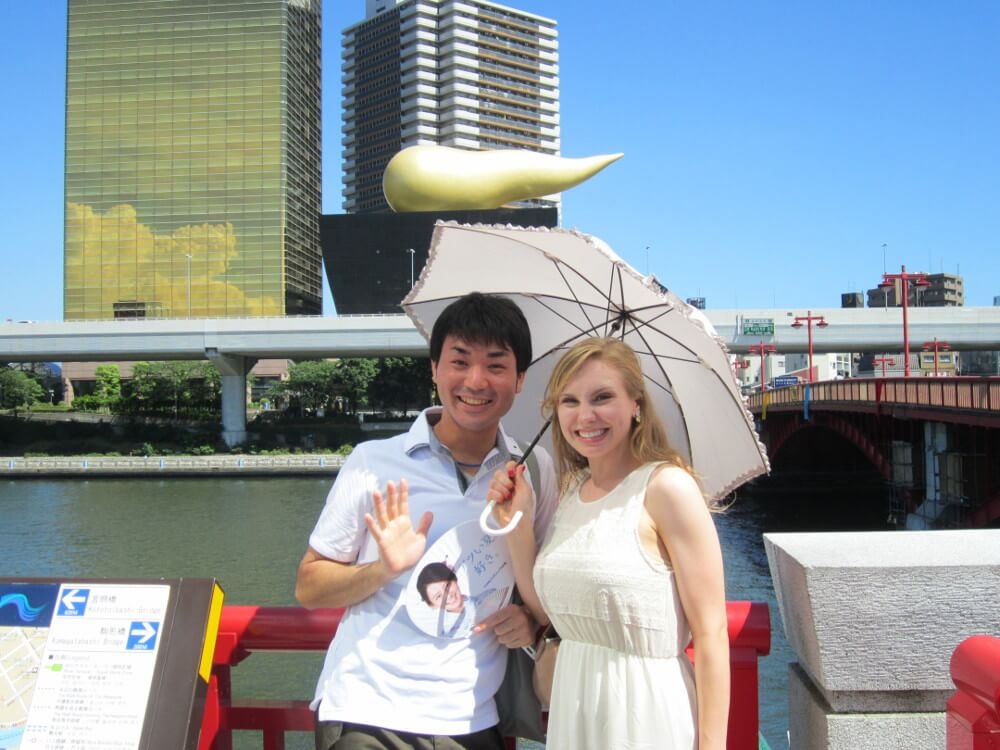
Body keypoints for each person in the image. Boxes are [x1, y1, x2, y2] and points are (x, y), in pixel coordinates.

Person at [296, 292, 558, 750]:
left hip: (472, 716)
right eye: (460, 361)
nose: (475, 381)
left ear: (519, 380)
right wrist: (383, 569)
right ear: (434, 368)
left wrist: (530, 624)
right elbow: (309, 586)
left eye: (496, 365)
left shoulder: (536, 472)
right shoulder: (373, 462)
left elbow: (544, 592)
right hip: (366, 710)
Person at [488, 337, 730, 750]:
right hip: (574, 710)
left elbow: (712, 632)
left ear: (636, 404)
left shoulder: (667, 488)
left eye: (602, 397)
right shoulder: (573, 490)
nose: (586, 416)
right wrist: (517, 523)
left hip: (645, 714)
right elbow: (548, 610)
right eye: (570, 401)